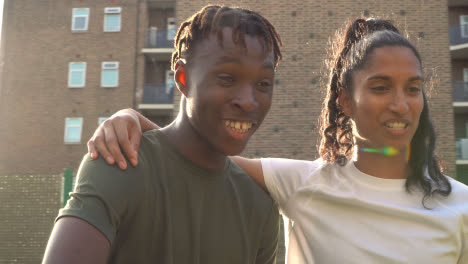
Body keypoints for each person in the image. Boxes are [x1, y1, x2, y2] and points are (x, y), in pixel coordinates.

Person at [88, 17, 468, 264]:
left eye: (413, 89)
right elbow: (196, 151)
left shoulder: (460, 204)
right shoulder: (303, 185)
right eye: (381, 87)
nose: (401, 105)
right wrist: (130, 117)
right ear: (345, 100)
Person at [43, 5, 283, 264]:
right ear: (182, 78)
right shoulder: (120, 163)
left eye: (263, 84)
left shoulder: (259, 206)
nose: (248, 102)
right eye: (226, 78)